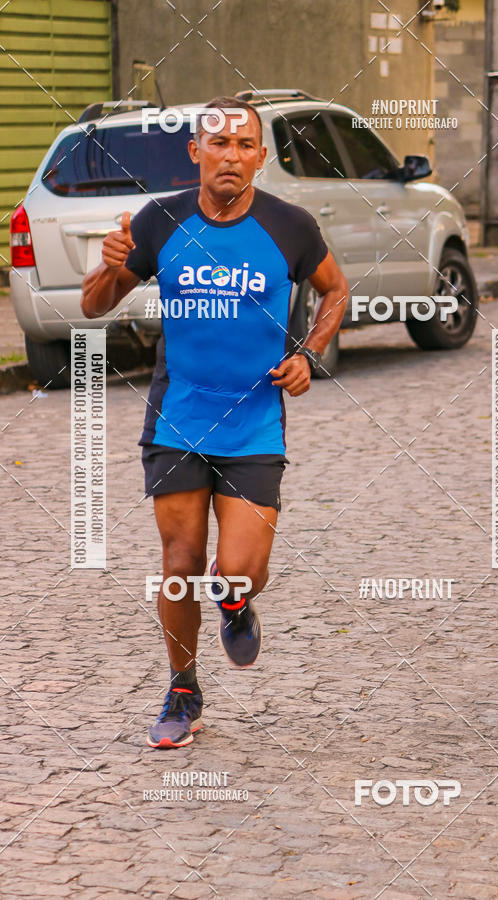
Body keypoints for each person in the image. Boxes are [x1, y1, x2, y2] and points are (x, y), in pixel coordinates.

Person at [81, 96, 348, 749]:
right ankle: (182, 688)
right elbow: (93, 307)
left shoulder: (290, 226)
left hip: (255, 421)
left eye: (243, 145)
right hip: (179, 417)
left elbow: (336, 289)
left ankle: (234, 602)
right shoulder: (159, 220)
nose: (231, 155)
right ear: (196, 151)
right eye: (218, 143)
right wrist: (114, 265)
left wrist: (309, 353)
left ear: (260, 155)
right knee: (179, 558)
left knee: (238, 569)